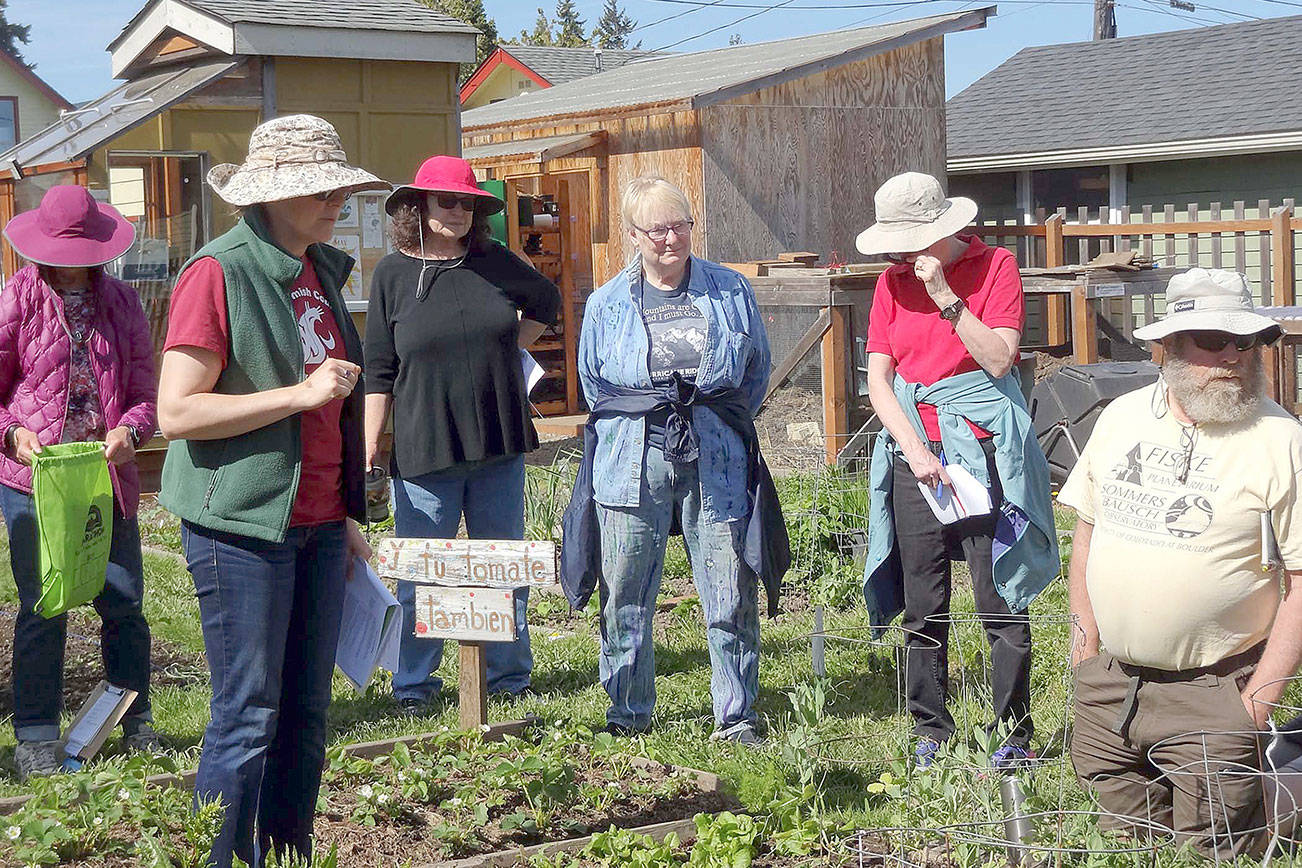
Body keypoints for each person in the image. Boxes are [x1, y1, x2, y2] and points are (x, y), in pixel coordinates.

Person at [155, 115, 385, 867]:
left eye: (341, 188)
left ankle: (286, 855)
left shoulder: (320, 268)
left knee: (307, 714)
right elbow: (177, 412)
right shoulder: (217, 273)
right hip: (241, 526)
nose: (337, 201)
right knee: (247, 715)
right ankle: (219, 859)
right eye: (320, 189)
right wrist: (297, 395)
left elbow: (335, 413)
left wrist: (346, 512)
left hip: (317, 521)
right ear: (271, 196)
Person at [1060, 268, 1302, 858]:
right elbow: (1086, 535)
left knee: (1214, 848)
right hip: (1110, 689)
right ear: (1166, 348)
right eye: (1216, 341)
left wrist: (1254, 705)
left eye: (1248, 341)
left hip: (1215, 693)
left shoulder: (1280, 439)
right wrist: (1085, 654)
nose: (1235, 357)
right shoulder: (1119, 420)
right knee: (1126, 847)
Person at [562, 174, 783, 745]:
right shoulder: (606, 304)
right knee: (625, 590)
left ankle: (735, 717)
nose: (669, 239)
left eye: (679, 225)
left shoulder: (730, 291)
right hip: (632, 462)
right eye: (656, 230)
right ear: (634, 236)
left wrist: (711, 421)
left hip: (716, 459)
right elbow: (595, 386)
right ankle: (628, 714)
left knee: (730, 590)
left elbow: (754, 371)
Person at [859, 172, 1059, 770]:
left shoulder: (995, 266)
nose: (901, 253)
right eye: (894, 242)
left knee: (998, 597)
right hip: (916, 455)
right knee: (923, 601)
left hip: (982, 451)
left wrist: (947, 296)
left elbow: (999, 358)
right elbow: (878, 380)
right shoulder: (889, 285)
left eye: (910, 239)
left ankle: (1014, 733)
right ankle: (931, 729)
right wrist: (915, 453)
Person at [364, 156, 559, 711]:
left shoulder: (494, 261)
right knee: (423, 574)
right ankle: (416, 685)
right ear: (419, 206)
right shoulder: (393, 274)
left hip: (498, 442)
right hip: (426, 447)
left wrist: (507, 347)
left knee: (502, 565)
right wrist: (371, 445)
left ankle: (508, 679)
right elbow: (379, 367)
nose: (458, 211)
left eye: (468, 202)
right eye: (447, 200)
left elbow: (544, 301)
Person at [0, 185, 160, 781]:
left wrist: (130, 430)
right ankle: (36, 734)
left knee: (122, 599)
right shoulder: (16, 299)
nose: (75, 265)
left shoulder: (121, 302)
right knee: (45, 604)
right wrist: (13, 432)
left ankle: (133, 717)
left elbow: (146, 394)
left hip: (103, 475)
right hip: (34, 480)